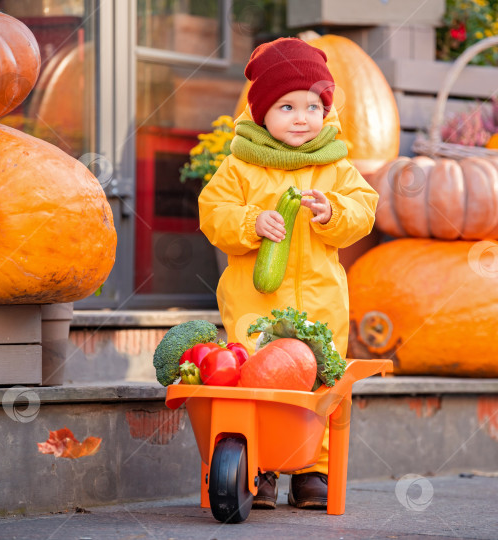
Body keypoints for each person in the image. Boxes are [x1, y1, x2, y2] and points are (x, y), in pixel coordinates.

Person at [198, 37, 379, 509]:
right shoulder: (241, 165)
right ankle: (261, 465)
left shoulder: (336, 165)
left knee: (321, 380)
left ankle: (313, 471)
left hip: (321, 301)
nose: (302, 118)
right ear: (261, 112)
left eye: (313, 106)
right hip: (257, 303)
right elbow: (213, 212)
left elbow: (364, 209)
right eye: (286, 106)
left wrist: (333, 211)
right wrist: (250, 221)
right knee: (258, 378)